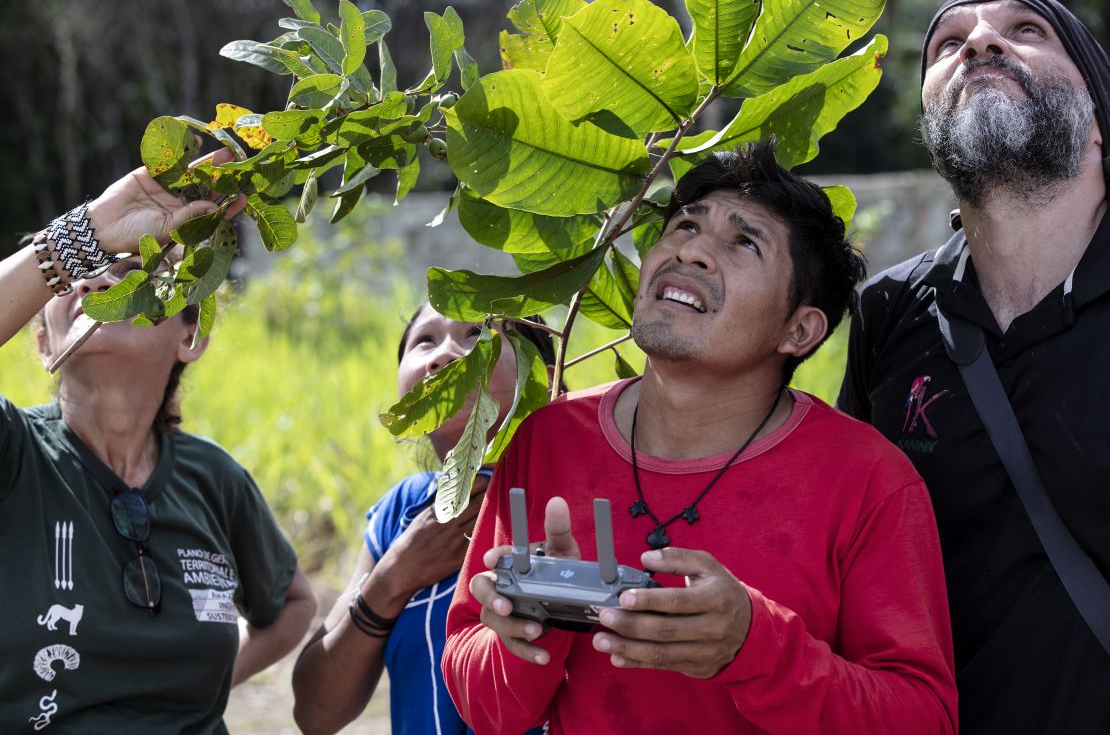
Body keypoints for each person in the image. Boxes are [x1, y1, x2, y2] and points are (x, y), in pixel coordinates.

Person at [442, 140, 958, 734]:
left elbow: (924, 719)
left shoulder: (869, 479)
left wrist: (754, 646)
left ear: (799, 330)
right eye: (685, 224)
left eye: (744, 242)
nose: (692, 250)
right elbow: (485, 708)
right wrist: (532, 626)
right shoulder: (548, 441)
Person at [837, 0, 1110, 731]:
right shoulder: (886, 313)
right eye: (947, 42)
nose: (980, 42)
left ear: (1098, 113)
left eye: (1027, 30)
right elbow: (837, 548)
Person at [0, 152, 315, 732]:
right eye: (71, 279)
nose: (95, 278)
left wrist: (203, 693)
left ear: (190, 333)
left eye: (131, 270)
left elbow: (293, 604)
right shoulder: (15, 456)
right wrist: (85, 234)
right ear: (44, 346)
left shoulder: (213, 480)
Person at [292, 303, 556, 735]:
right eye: (424, 341)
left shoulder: (578, 499)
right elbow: (315, 714)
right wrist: (395, 575)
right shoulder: (401, 514)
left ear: (545, 378)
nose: (442, 355)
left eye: (476, 334)